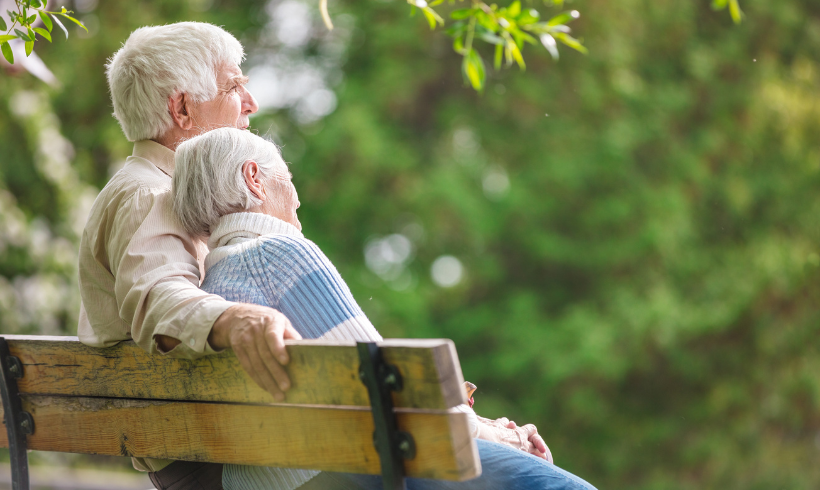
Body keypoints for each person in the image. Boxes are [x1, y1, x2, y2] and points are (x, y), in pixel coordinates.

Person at [172, 127, 597, 490]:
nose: (298, 198)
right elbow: (392, 398)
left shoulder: (209, 290)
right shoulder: (279, 254)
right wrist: (505, 438)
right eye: (289, 177)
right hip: (341, 472)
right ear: (255, 179)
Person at [77, 23, 301, 489]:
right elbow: (159, 298)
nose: (251, 103)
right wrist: (238, 319)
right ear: (182, 108)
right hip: (213, 458)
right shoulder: (149, 195)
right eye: (235, 85)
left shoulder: (167, 192)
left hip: (220, 440)